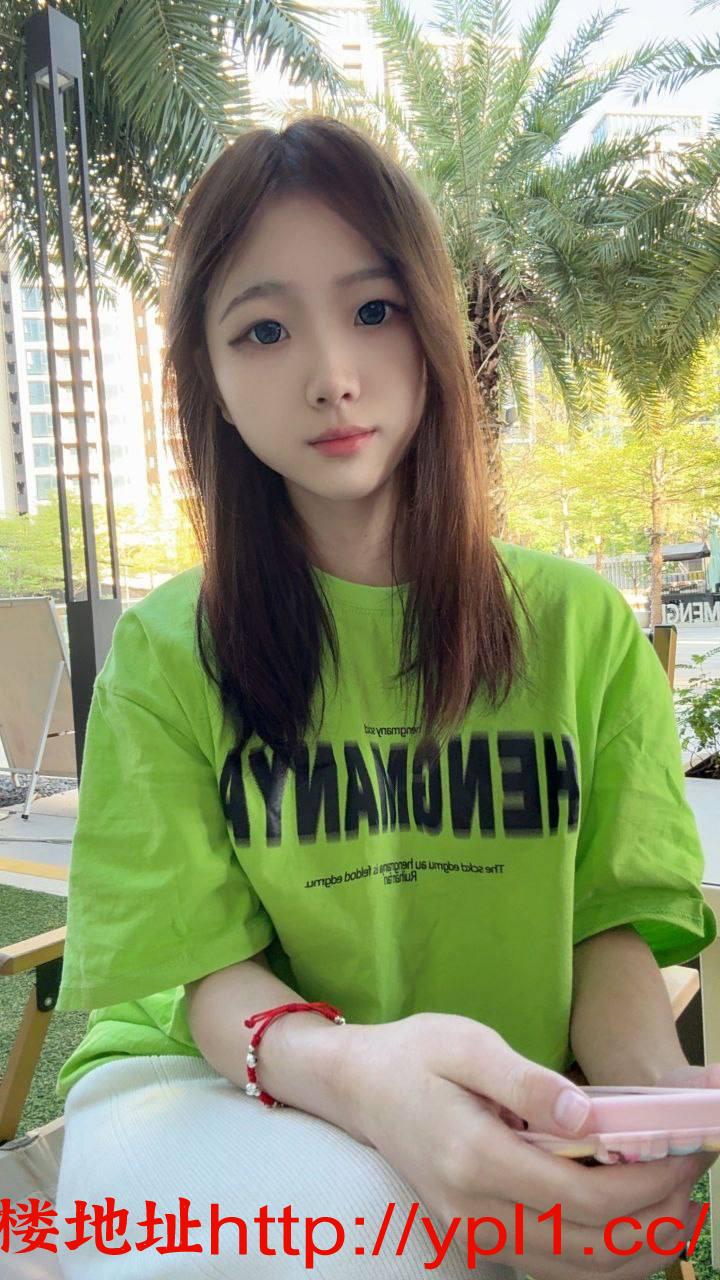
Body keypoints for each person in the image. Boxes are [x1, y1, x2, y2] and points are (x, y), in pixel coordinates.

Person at [53, 116, 718, 1279]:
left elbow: (606, 928)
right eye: (264, 329)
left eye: (373, 308)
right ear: (210, 379)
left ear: (434, 328)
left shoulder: (581, 630)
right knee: (382, 1233)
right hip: (207, 1082)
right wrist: (367, 1082)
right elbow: (201, 978)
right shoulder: (167, 650)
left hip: (490, 1107)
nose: (332, 375)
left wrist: (646, 1106)